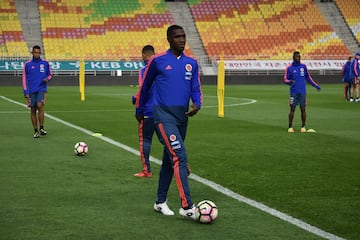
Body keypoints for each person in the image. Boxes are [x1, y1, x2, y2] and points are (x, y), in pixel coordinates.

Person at [136, 25, 202, 219]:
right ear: (169, 40)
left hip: (182, 117)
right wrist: (139, 110)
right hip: (163, 115)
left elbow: (196, 87)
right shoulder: (157, 61)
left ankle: (160, 202)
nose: (182, 40)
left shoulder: (192, 63)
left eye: (183, 36)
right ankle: (187, 206)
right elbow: (145, 87)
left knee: (169, 159)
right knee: (179, 155)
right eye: (177, 37)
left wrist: (197, 104)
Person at [132, 45, 156, 178]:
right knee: (168, 142)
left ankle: (147, 170)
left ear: (144, 55)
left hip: (148, 112)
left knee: (145, 140)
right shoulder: (161, 69)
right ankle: (178, 167)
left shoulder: (143, 71)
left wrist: (137, 105)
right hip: (163, 112)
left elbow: (144, 91)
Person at [284, 51, 320, 133]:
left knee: (303, 109)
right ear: (293, 57)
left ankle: (303, 126)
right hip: (293, 92)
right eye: (297, 56)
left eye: (299, 56)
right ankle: (290, 127)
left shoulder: (303, 67)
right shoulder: (289, 68)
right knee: (292, 109)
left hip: (302, 92)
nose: (298, 58)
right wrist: (289, 82)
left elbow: (308, 78)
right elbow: (285, 79)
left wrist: (316, 85)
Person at [22, 45, 53, 138]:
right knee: (33, 109)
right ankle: (36, 131)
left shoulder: (45, 63)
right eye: (35, 52)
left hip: (41, 88)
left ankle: (42, 128)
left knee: (40, 105)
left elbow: (50, 74)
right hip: (31, 89)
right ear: (32, 53)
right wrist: (25, 91)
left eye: (39, 52)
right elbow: (24, 78)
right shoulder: (27, 64)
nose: (37, 54)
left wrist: (48, 78)